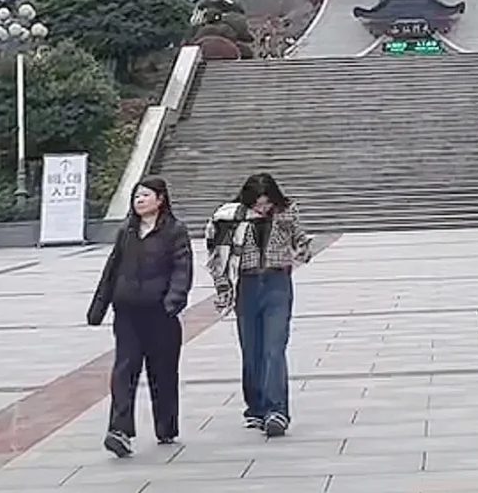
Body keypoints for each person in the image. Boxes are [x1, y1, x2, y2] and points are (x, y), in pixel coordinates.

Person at [87, 177, 194, 458]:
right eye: (136, 195)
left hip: (160, 314)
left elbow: (182, 270)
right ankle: (119, 430)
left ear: (161, 199)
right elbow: (112, 270)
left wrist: (173, 302)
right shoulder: (127, 231)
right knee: (124, 370)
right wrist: (99, 307)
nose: (140, 200)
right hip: (128, 314)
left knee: (163, 374)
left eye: (146, 195)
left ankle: (166, 426)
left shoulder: (175, 231)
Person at [205, 173, 312, 438]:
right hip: (248, 284)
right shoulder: (232, 217)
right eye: (258, 203)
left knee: (274, 348)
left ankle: (277, 411)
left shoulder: (287, 212)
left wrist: (301, 250)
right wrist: (223, 287)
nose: (263, 208)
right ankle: (256, 407)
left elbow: (301, 240)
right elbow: (217, 253)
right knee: (251, 350)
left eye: (267, 203)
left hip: (277, 283)